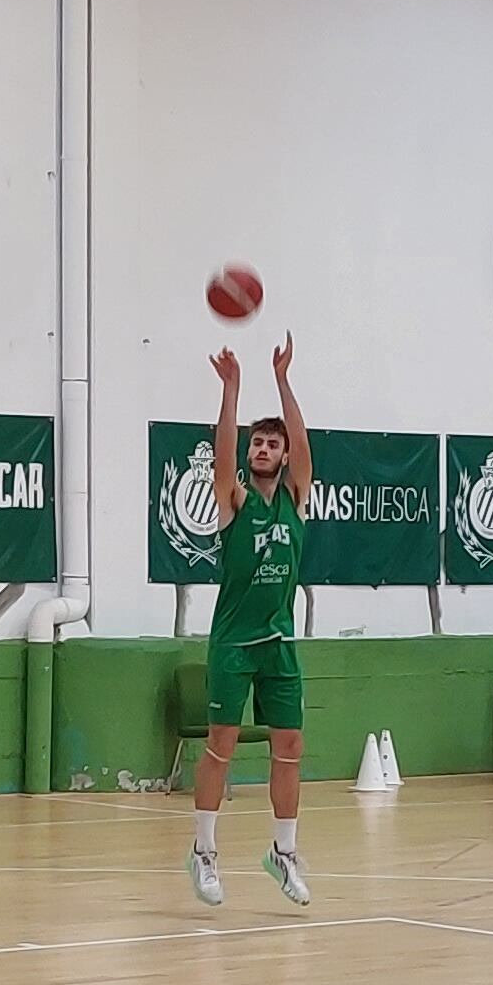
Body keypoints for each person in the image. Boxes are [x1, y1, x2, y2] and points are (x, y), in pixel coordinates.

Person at [188, 337, 313, 907]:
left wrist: (282, 379)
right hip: (234, 644)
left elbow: (303, 444)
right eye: (257, 442)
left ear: (283, 457)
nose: (263, 448)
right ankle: (203, 852)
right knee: (223, 744)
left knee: (290, 744)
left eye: (271, 443)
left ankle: (283, 855)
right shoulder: (234, 500)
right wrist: (231, 390)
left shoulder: (294, 497)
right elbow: (221, 454)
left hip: (279, 642)